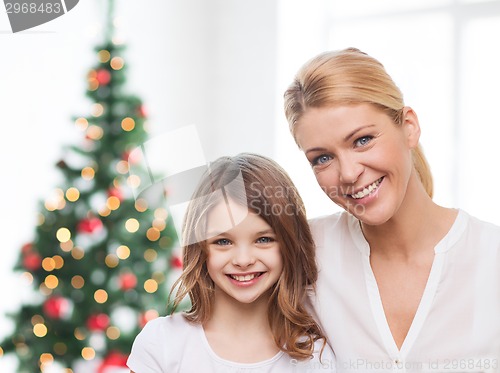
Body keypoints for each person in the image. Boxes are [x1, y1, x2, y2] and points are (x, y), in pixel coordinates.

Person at [283, 48, 500, 372]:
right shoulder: (305, 253)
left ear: (409, 126)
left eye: (362, 140)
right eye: (322, 158)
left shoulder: (490, 257)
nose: (348, 173)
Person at [127, 153, 336, 372]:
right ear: (200, 248)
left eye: (263, 239)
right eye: (223, 241)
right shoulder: (162, 344)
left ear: (289, 245)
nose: (243, 260)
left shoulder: (314, 357)